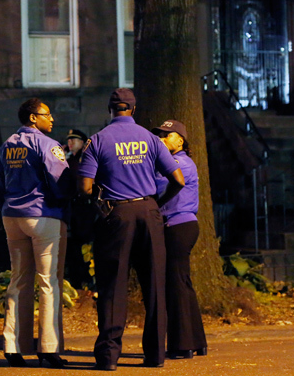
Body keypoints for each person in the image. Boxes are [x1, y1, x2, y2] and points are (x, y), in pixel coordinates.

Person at [76, 88, 185, 371]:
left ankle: (109, 357)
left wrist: (99, 199)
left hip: (117, 214)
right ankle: (154, 355)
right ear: (133, 110)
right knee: (154, 285)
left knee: (113, 285)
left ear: (110, 110)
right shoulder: (151, 139)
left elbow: (85, 186)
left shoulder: (98, 140)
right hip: (149, 212)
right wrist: (156, 203)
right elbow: (178, 179)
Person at [0, 98, 74, 369]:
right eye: (46, 114)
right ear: (32, 118)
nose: (51, 119)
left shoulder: (7, 145)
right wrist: (63, 204)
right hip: (42, 215)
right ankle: (48, 349)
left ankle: (12, 346)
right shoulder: (48, 145)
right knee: (48, 283)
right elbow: (61, 182)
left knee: (18, 280)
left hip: (11, 216)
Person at [151, 119, 208, 360]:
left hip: (177, 226)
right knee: (181, 283)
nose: (162, 139)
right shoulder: (173, 162)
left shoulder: (179, 163)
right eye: (160, 135)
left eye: (168, 135)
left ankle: (182, 345)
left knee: (175, 284)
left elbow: (154, 188)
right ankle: (197, 341)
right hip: (178, 226)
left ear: (180, 140)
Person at [64, 129, 94, 288]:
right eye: (69, 140)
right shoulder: (69, 158)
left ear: (83, 142)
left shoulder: (84, 158)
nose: (70, 143)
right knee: (75, 243)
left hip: (84, 207)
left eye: (74, 140)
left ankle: (86, 278)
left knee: (85, 242)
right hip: (73, 206)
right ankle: (77, 277)